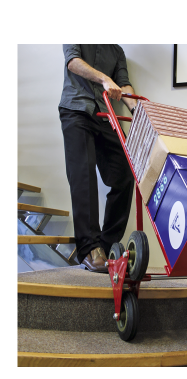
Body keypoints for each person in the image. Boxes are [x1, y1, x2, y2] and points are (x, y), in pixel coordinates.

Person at [58, 45, 137, 272]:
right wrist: (104, 79)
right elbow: (73, 61)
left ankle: (106, 244)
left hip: (105, 116)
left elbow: (123, 83)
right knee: (83, 175)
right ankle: (89, 248)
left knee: (124, 175)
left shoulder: (117, 50)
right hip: (76, 110)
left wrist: (138, 109)